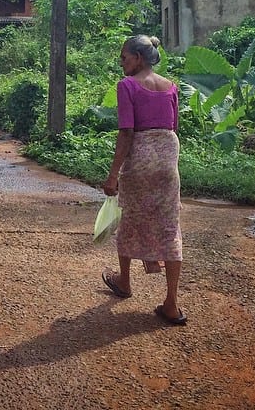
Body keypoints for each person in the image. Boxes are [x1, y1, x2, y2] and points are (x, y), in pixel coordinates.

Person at [101, 35, 186, 325]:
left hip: (140, 162)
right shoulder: (171, 87)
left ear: (138, 58)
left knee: (130, 220)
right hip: (167, 164)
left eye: (124, 57)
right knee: (169, 226)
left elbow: (126, 133)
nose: (122, 63)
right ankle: (172, 303)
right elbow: (173, 128)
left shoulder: (127, 86)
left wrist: (113, 175)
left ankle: (124, 282)